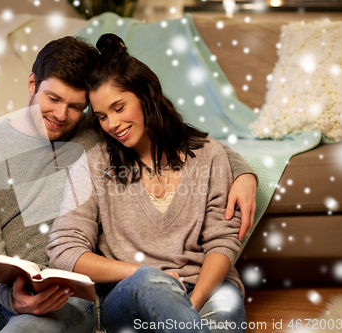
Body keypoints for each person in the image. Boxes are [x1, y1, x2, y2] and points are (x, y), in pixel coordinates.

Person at [0, 35, 254, 332]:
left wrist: (243, 172)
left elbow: (172, 134)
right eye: (52, 99)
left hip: (68, 297)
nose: (61, 115)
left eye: (76, 106)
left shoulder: (96, 131)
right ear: (31, 85)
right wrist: (13, 298)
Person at [47, 34, 250, 333]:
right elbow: (64, 252)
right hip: (131, 292)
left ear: (146, 96)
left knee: (224, 316)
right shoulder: (93, 164)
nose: (112, 124)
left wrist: (188, 309)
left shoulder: (210, 155)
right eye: (102, 116)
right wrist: (144, 273)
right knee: (149, 282)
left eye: (119, 108)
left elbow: (223, 241)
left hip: (206, 288)